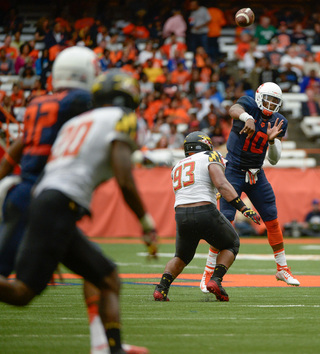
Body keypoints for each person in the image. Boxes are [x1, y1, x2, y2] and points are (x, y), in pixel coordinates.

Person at [0, 69, 156, 354]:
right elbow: (124, 176)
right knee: (22, 293)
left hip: (47, 201)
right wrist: (145, 221)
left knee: (106, 277)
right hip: (60, 203)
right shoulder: (125, 119)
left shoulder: (76, 121)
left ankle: (110, 348)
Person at [200, 82, 300, 294]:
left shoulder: (280, 121)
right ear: (258, 97)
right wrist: (248, 118)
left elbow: (273, 160)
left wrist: (272, 142)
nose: (271, 104)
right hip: (234, 170)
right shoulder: (248, 105)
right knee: (225, 221)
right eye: (268, 99)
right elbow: (233, 109)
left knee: (272, 219)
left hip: (256, 173)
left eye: (275, 101)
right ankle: (208, 271)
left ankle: (282, 268)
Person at [153, 131, 260, 302]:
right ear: (206, 145)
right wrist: (243, 208)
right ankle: (216, 280)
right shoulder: (210, 156)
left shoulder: (177, 165)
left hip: (181, 215)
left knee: (181, 256)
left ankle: (161, 288)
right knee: (231, 244)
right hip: (204, 211)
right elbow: (221, 184)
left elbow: (195, 188)